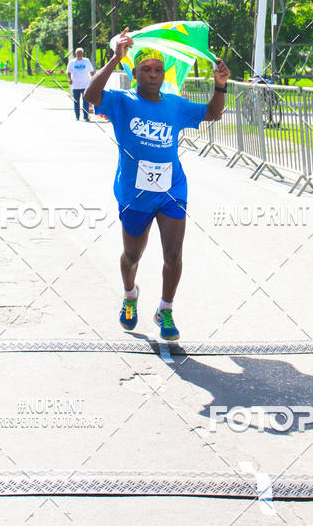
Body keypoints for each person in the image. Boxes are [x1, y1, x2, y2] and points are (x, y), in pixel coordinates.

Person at [84, 28, 230, 341]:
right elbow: (90, 97)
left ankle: (165, 309)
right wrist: (115, 59)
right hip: (134, 193)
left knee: (173, 254)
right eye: (146, 70)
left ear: (164, 74)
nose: (153, 75)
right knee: (132, 256)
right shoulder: (121, 101)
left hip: (171, 191)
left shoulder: (175, 105)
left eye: (158, 70)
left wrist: (220, 87)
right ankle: (129, 295)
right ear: (134, 73)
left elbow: (213, 114)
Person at [67, 47, 95, 121]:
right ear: (75, 54)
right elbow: (69, 71)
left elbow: (91, 71)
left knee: (85, 100)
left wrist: (94, 80)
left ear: (83, 54)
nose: (79, 54)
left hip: (85, 84)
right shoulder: (72, 62)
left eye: (81, 53)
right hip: (75, 85)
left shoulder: (86, 61)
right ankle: (77, 116)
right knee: (76, 101)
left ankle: (86, 116)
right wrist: (69, 79)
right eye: (78, 53)